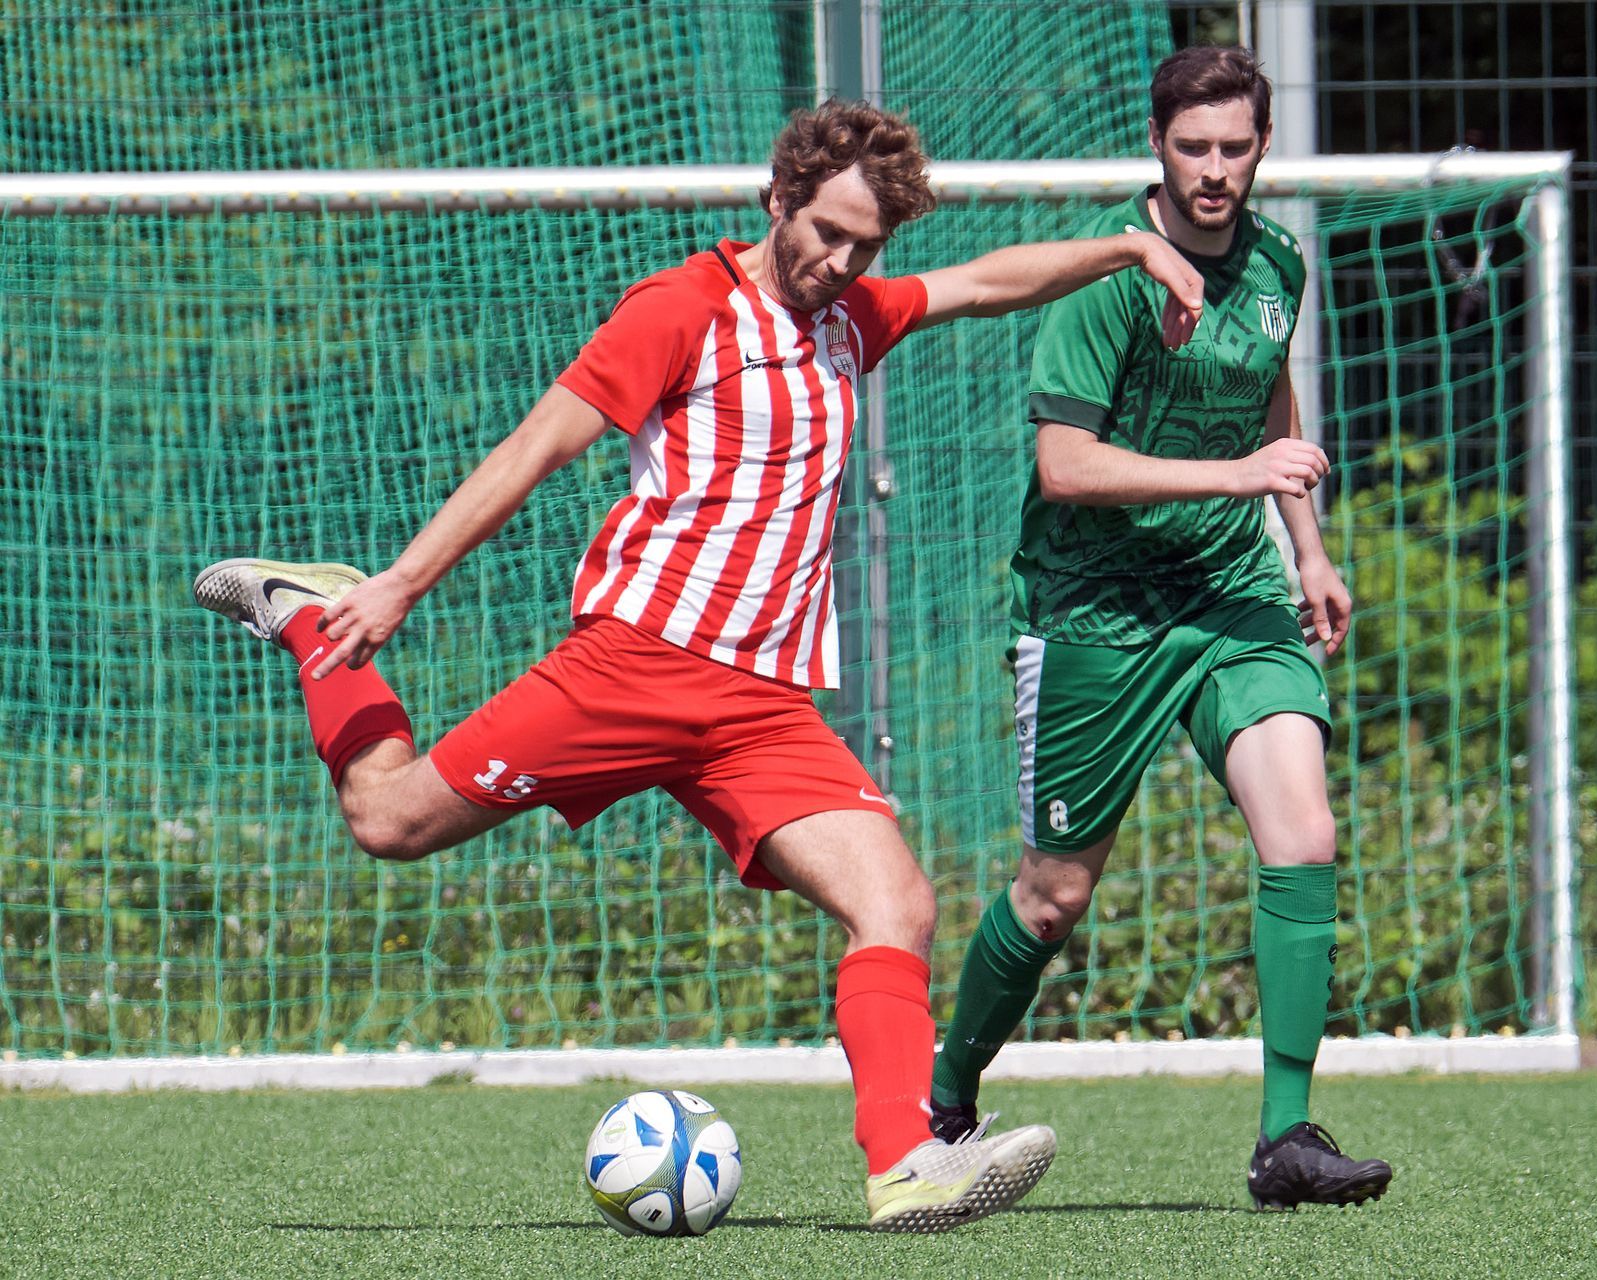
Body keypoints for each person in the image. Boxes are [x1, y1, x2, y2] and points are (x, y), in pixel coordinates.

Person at [192, 99, 1204, 1234]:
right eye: (827, 232)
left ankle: (907, 1163)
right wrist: (399, 583)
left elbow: (980, 283)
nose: (843, 261)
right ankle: (311, 619)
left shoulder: (850, 318)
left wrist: (1128, 248)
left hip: (762, 707)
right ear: (778, 199)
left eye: (867, 245)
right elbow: (535, 447)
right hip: (634, 668)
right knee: (386, 819)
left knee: (898, 902)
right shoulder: (683, 307)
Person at [926, 47, 1394, 1210]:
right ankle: (943, 1101)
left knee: (1304, 829)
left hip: (1231, 591)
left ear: (1264, 145)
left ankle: (1287, 1136)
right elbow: (1066, 466)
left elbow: (1269, 393)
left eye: (1236, 146)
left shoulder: (1279, 262)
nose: (1215, 169)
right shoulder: (1110, 279)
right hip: (1097, 607)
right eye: (1194, 147)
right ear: (1156, 143)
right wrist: (1240, 476)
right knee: (1054, 895)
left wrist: (1308, 548)